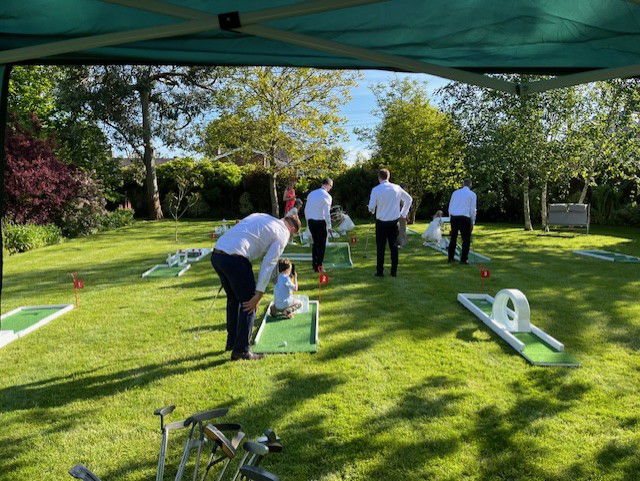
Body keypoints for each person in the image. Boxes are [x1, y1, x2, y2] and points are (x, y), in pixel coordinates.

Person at [211, 213, 301, 361]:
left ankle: (232, 342)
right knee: (250, 303)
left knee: (233, 299)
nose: (291, 237)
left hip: (217, 254)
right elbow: (269, 263)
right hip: (235, 258)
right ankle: (241, 351)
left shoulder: (263, 216)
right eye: (294, 234)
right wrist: (259, 293)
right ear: (291, 228)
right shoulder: (283, 233)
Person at [368, 169, 412, 277]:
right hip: (393, 222)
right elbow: (409, 199)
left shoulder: (376, 189)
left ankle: (380, 271)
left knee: (380, 248)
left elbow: (371, 207)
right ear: (389, 176)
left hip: (381, 223)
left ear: (379, 177)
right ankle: (394, 271)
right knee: (394, 247)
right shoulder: (397, 188)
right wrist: (403, 213)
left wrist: (371, 209)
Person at [304, 178, 334, 272]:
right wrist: (329, 226)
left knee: (315, 243)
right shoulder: (327, 196)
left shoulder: (311, 193)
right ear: (328, 185)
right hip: (320, 221)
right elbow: (327, 213)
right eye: (331, 186)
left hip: (311, 220)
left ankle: (314, 265)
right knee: (321, 245)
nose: (330, 188)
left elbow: (306, 209)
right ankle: (319, 266)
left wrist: (308, 221)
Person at [447, 179, 477, 264]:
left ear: (463, 184)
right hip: (464, 217)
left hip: (454, 217)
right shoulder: (472, 194)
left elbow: (450, 206)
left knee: (453, 238)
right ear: (470, 185)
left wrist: (450, 218)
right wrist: (472, 222)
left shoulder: (455, 193)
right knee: (466, 239)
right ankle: (463, 259)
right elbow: (472, 210)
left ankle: (450, 258)